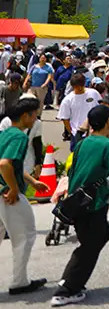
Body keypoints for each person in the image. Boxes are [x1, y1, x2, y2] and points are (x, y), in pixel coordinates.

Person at [49, 104, 109, 307]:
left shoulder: (82, 143)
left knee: (102, 234)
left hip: (77, 201)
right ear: (108, 122)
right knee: (89, 246)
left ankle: (71, 281)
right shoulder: (108, 145)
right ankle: (66, 289)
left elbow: (73, 171)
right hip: (93, 204)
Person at [0, 98, 51, 295]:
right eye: (35, 115)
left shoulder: (5, 133)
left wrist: (32, 182)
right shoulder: (19, 137)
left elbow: (12, 165)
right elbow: (4, 165)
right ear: (25, 116)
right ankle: (19, 282)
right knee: (26, 234)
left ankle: (20, 281)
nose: (36, 118)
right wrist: (13, 188)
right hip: (8, 195)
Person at [59, 73, 102, 149]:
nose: (79, 88)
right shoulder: (67, 100)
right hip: (77, 134)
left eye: (81, 86)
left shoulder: (94, 93)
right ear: (73, 86)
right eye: (77, 87)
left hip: (95, 133)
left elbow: (101, 108)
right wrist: (72, 132)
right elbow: (65, 119)